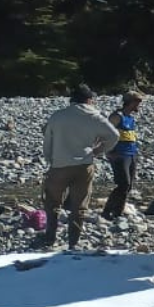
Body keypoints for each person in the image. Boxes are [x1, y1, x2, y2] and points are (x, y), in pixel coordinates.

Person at [38, 84, 119, 249]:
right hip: (84, 165)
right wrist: (98, 151)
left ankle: (50, 237)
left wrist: (50, 160)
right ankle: (73, 242)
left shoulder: (58, 116)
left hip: (59, 165)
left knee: (52, 202)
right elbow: (114, 135)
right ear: (89, 100)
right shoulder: (95, 116)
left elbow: (48, 141)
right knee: (79, 205)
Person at [101, 90, 144, 220]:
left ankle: (118, 212)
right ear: (130, 102)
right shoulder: (117, 117)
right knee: (123, 184)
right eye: (137, 102)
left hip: (131, 154)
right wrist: (108, 151)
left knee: (128, 186)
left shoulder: (130, 118)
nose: (139, 106)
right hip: (119, 154)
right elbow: (105, 134)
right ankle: (107, 211)